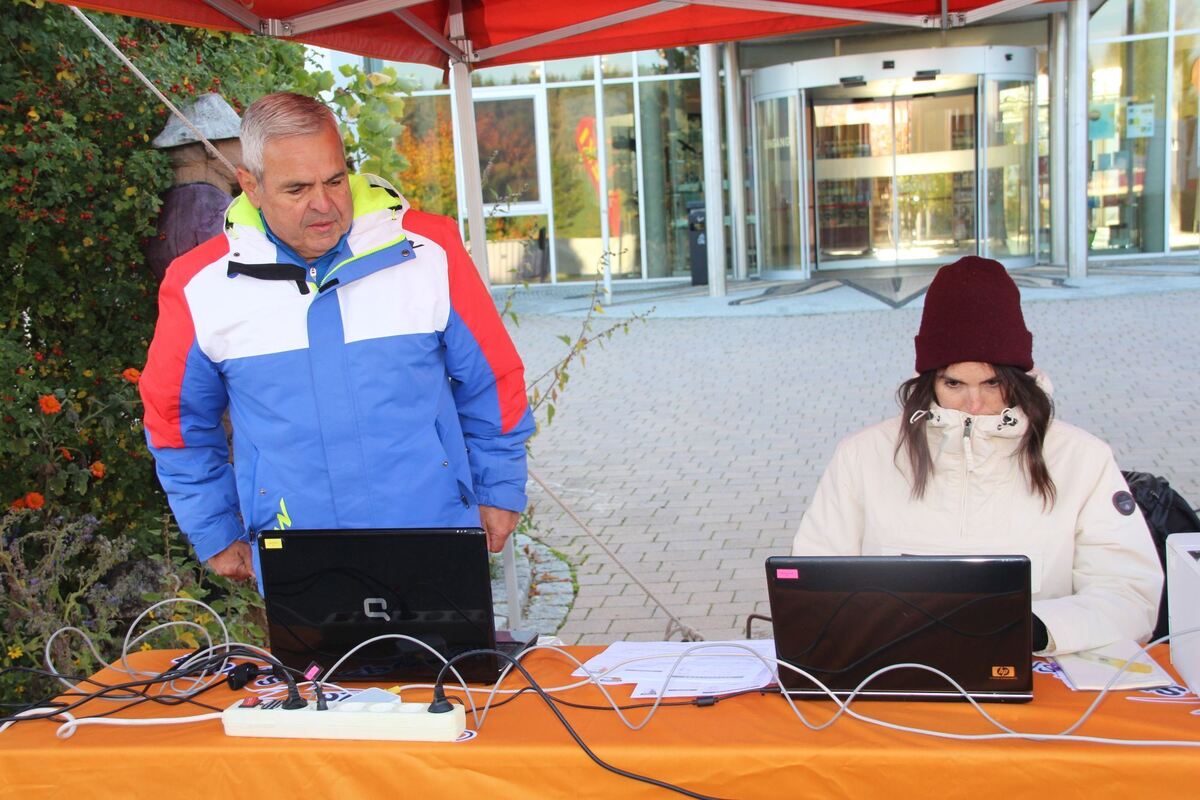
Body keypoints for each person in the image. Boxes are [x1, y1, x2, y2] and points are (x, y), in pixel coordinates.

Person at [140, 92, 535, 582]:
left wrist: (498, 489)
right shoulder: (197, 284)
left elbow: (492, 382)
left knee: (446, 663)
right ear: (250, 184)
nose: (323, 204)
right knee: (318, 664)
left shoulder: (431, 251)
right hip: (297, 549)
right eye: (297, 189)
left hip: (433, 534)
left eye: (334, 179)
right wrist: (216, 530)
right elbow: (176, 423)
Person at [791, 256, 1162, 656]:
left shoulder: (1082, 459)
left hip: (1040, 681)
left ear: (1018, 377)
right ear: (928, 379)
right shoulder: (862, 456)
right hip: (893, 675)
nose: (974, 403)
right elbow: (812, 583)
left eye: (992, 382)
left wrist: (1036, 629)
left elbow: (1129, 593)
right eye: (953, 383)